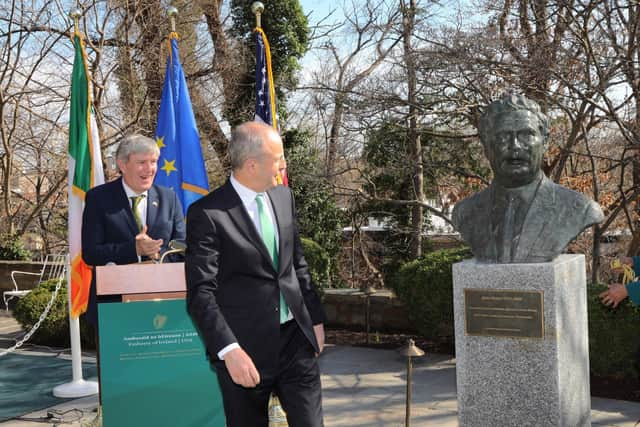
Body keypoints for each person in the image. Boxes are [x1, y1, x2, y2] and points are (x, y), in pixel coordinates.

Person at [185, 121, 326, 427]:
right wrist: (229, 351)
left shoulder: (283, 198)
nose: (283, 165)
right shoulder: (208, 215)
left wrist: (314, 319)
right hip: (244, 351)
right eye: (278, 158)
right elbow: (200, 294)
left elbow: (296, 263)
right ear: (251, 164)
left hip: (296, 344)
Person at [452, 94, 604, 263]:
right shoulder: (465, 212)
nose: (515, 145)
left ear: (545, 142)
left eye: (526, 135)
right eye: (502, 136)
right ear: (487, 146)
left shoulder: (580, 209)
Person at [82, 133, 186, 326]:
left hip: (166, 305)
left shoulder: (169, 198)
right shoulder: (98, 199)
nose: (150, 169)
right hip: (114, 308)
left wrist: (157, 255)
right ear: (123, 164)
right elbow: (91, 253)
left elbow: (183, 247)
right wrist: (134, 250)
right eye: (142, 162)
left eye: (153, 161)